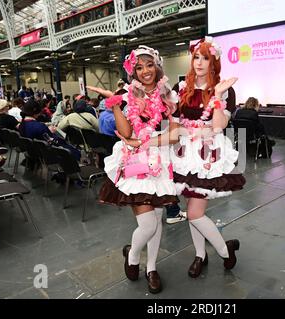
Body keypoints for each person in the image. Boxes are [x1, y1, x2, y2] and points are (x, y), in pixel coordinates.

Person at [93, 45, 179, 294]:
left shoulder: (168, 95)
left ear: (157, 65)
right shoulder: (129, 93)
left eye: (149, 65)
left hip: (160, 158)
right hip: (133, 162)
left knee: (157, 220)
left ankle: (151, 267)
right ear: (133, 71)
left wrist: (147, 141)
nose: (145, 72)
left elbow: (174, 135)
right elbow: (127, 133)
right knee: (148, 224)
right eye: (139, 67)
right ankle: (132, 256)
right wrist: (115, 104)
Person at [171, 37, 245, 278]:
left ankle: (225, 250)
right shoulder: (181, 89)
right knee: (192, 206)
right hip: (184, 154)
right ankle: (200, 254)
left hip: (208, 154)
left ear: (214, 62)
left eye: (205, 57)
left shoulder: (224, 89)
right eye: (196, 57)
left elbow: (219, 125)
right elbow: (173, 120)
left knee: (194, 212)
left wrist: (219, 96)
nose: (199, 62)